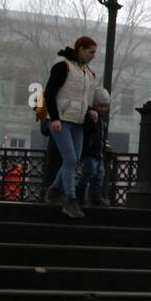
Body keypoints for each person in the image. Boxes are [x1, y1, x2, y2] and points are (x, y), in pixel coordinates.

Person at [43, 36, 100, 218]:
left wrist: (89, 109)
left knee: (73, 160)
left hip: (78, 121)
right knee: (70, 159)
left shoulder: (85, 71)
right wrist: (54, 118)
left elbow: (79, 97)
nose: (93, 56)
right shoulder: (63, 65)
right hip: (62, 121)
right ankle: (70, 199)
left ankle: (53, 192)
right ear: (80, 49)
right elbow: (49, 92)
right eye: (91, 52)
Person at [77, 88, 111, 206]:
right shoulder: (91, 117)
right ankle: (80, 193)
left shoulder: (103, 120)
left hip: (99, 153)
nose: (103, 109)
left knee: (100, 175)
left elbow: (103, 135)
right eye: (100, 106)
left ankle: (95, 196)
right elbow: (87, 131)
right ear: (95, 105)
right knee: (89, 173)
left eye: (105, 106)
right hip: (90, 152)